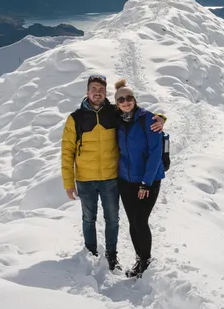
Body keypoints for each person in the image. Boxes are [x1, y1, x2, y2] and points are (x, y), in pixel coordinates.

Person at [61, 74, 165, 271]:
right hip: (86, 178)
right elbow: (67, 152)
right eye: (94, 89)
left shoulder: (113, 113)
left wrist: (161, 119)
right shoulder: (75, 118)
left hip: (110, 177)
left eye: (101, 90)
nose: (97, 93)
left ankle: (112, 256)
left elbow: (140, 117)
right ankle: (91, 254)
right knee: (88, 218)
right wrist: (68, 182)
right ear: (87, 92)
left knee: (113, 219)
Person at [114, 78, 165, 278]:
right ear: (117, 103)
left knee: (141, 220)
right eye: (121, 100)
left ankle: (146, 261)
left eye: (129, 98)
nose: (126, 102)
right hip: (125, 180)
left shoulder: (149, 120)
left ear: (135, 100)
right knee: (133, 222)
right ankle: (139, 259)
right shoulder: (116, 119)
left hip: (147, 180)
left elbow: (155, 153)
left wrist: (146, 183)